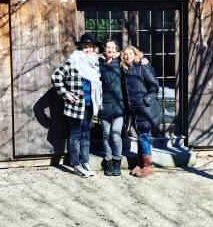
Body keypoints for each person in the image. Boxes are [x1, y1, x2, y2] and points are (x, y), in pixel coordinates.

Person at [51, 33, 102, 178]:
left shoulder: (95, 62)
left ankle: (85, 161)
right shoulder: (73, 61)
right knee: (75, 135)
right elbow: (56, 76)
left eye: (90, 46)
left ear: (94, 47)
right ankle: (76, 164)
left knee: (86, 134)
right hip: (76, 106)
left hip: (90, 104)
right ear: (81, 47)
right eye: (85, 46)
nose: (88, 49)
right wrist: (66, 94)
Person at [121, 45, 160, 178]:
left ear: (135, 54)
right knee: (141, 136)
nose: (128, 56)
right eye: (125, 54)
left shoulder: (142, 67)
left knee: (143, 136)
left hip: (144, 109)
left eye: (130, 53)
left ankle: (148, 167)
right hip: (134, 110)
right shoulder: (126, 70)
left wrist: (146, 101)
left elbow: (154, 85)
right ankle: (140, 164)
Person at [98, 38, 125, 176]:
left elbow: (134, 59)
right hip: (104, 106)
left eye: (113, 47)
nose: (110, 49)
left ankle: (117, 160)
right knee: (106, 134)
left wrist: (143, 58)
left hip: (118, 105)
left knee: (115, 135)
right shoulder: (98, 63)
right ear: (104, 48)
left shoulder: (120, 62)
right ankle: (108, 161)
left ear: (116, 49)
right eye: (108, 47)